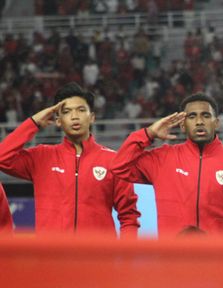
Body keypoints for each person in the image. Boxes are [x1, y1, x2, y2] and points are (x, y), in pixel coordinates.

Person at [111, 93, 223, 237]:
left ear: (217, 123)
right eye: (192, 116)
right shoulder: (162, 158)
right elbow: (119, 166)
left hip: (220, 260)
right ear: (182, 125)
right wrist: (148, 133)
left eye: (206, 116)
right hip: (173, 259)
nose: (199, 121)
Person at [0, 82, 140, 235]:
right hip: (51, 257)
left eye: (81, 110)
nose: (74, 117)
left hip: (97, 258)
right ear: (58, 120)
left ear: (92, 117)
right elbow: (2, 157)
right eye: (66, 111)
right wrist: (33, 123)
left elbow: (129, 216)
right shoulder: (41, 157)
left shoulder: (114, 161)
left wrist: (126, 257)